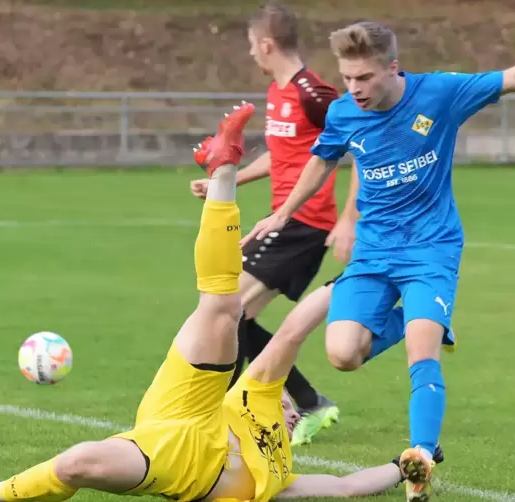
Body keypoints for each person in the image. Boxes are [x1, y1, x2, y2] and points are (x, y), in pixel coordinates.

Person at [0, 103, 422, 502]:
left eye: (292, 414)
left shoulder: (281, 476)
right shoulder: (260, 395)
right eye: (292, 408)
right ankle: (223, 168)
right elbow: (292, 331)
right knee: (222, 307)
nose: (291, 415)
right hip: (191, 404)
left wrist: (410, 465)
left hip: (177, 462)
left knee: (77, 464)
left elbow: (347, 485)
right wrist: (354, 281)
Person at [242, 21, 515, 501]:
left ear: (393, 68)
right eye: (348, 78)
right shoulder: (343, 113)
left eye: (365, 78)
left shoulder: (440, 94)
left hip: (430, 249)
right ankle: (428, 320)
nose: (355, 89)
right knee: (343, 354)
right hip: (374, 252)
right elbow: (322, 161)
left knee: (422, 352)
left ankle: (421, 461)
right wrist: (284, 213)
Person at [189, 1, 356, 447]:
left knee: (225, 310)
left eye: (251, 46)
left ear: (266, 44)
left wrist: (347, 219)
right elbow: (280, 154)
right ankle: (309, 402)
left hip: (306, 223)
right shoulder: (277, 93)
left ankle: (217, 418)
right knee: (232, 314)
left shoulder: (314, 94)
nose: (250, 54)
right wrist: (229, 180)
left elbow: (361, 146)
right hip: (281, 218)